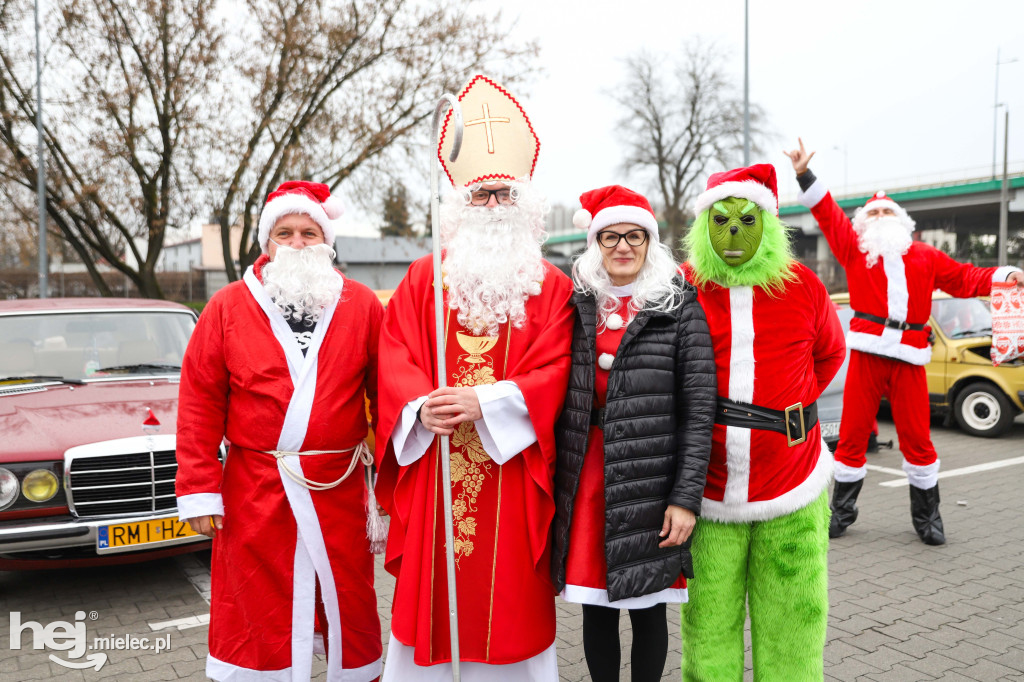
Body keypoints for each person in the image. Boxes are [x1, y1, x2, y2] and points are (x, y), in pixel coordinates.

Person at [374, 74, 575, 681]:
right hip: (436, 466)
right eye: (481, 195)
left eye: (503, 196)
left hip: (511, 474)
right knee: (433, 594)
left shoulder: (554, 287)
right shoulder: (421, 279)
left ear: (524, 204)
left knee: (508, 594)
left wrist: (488, 402)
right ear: (460, 203)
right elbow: (394, 352)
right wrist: (418, 407)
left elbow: (556, 366)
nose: (492, 207)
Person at [175, 181, 385, 681]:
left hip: (337, 483)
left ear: (327, 241)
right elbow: (200, 399)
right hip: (255, 488)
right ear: (267, 243)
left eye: (309, 232)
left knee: (346, 595)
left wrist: (393, 490)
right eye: (284, 232)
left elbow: (389, 394)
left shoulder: (361, 305)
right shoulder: (226, 306)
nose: (296, 243)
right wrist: (201, 490)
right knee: (256, 604)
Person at [785, 138, 1024, 544]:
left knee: (917, 436)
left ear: (901, 219)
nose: (879, 215)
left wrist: (1003, 275)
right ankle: (841, 512)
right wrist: (804, 173)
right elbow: (827, 215)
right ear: (863, 223)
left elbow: (966, 278)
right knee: (854, 433)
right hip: (867, 352)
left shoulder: (926, 257)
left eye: (886, 211)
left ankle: (928, 517)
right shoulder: (854, 250)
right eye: (873, 212)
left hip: (912, 356)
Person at [679, 164, 846, 681]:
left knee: (793, 623)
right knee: (708, 625)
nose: (733, 232)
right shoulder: (683, 288)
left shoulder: (803, 287)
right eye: (721, 219)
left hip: (793, 484)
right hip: (707, 493)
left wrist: (785, 413)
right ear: (704, 225)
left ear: (769, 223)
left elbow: (830, 355)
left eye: (746, 219)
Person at [551, 185, 716, 681]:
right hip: (588, 479)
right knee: (596, 609)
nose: (623, 247)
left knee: (648, 609)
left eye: (635, 236)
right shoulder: (577, 304)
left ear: (651, 243)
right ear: (595, 244)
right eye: (610, 237)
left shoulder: (678, 305)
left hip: (650, 478)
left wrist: (685, 499)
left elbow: (699, 409)